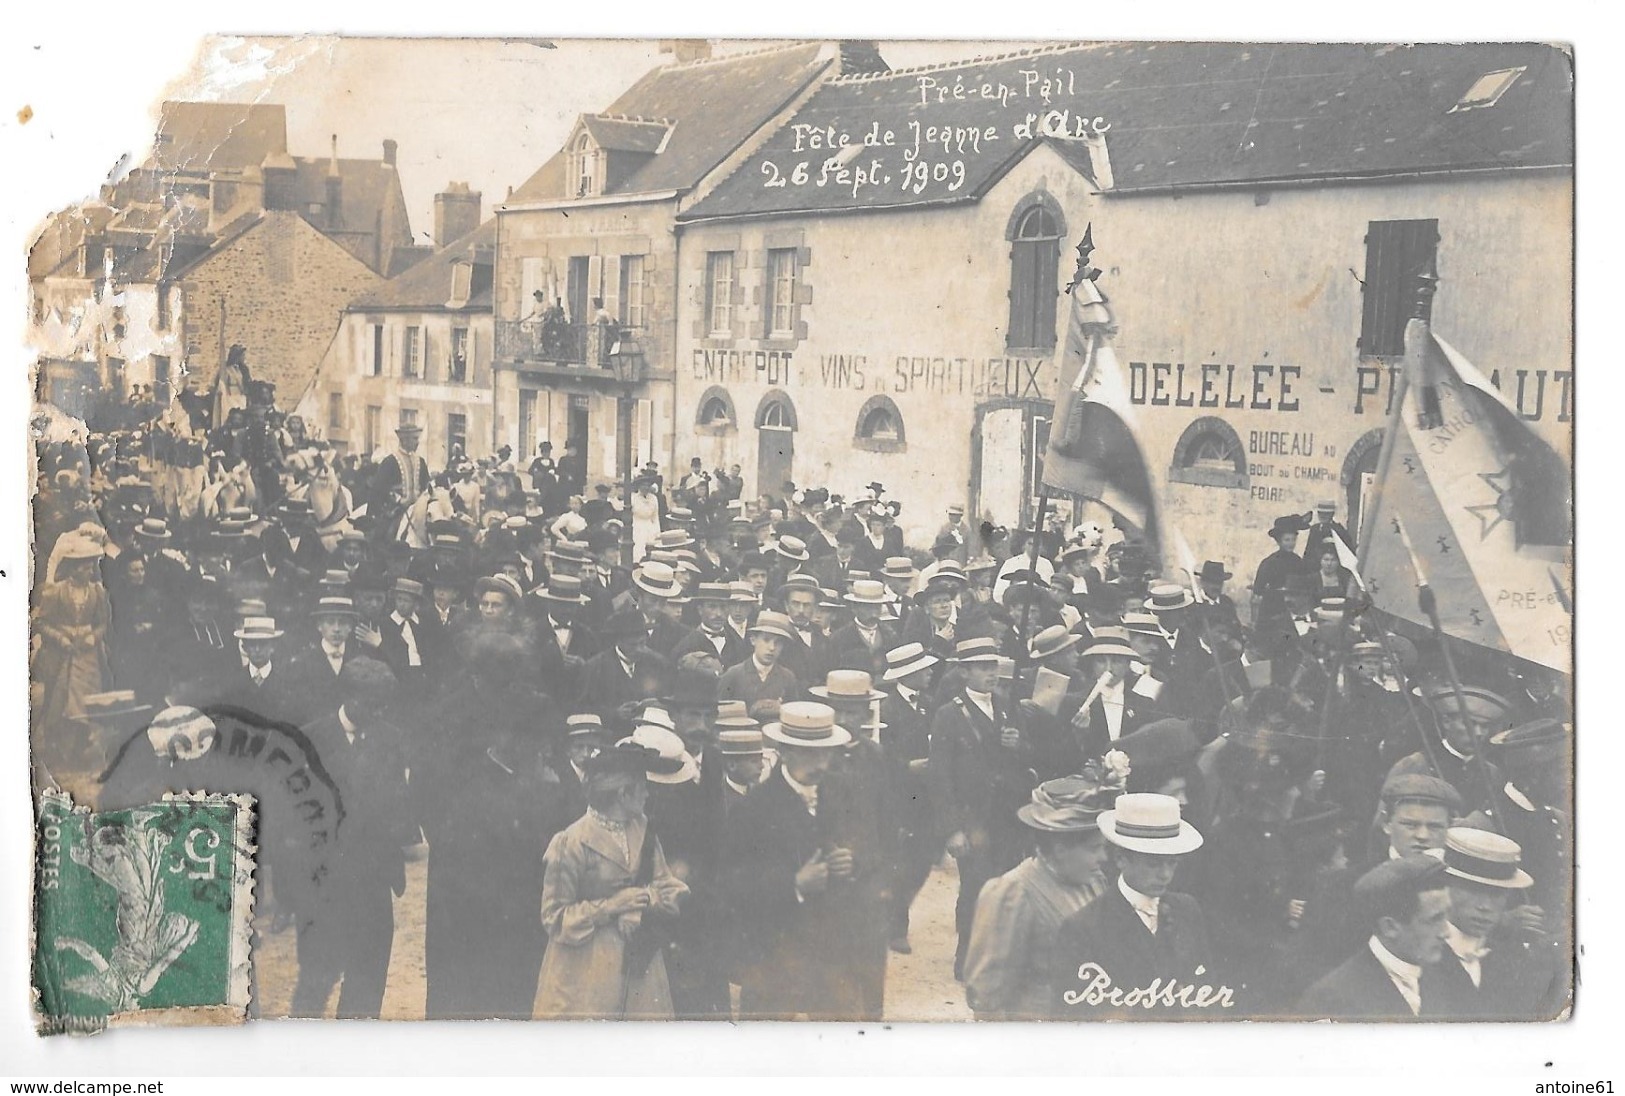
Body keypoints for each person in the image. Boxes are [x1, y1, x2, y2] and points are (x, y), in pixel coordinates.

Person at [725, 702, 877, 1020]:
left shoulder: (844, 793)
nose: (820, 764)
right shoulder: (753, 809)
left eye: (826, 753)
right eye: (810, 754)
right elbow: (733, 884)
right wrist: (793, 884)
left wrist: (853, 861)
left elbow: (871, 848)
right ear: (784, 751)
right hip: (774, 952)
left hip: (833, 950)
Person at [290, 660, 413, 1019]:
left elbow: (398, 803)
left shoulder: (390, 737)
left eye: (384, 704)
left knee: (368, 975)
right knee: (317, 977)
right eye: (373, 703)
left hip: (373, 878)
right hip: (325, 881)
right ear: (350, 696)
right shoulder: (309, 739)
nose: (379, 712)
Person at [535, 741, 690, 1019]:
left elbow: (668, 885)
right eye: (641, 786)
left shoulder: (643, 829)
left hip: (640, 965)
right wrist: (611, 906)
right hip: (585, 972)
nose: (646, 793)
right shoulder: (571, 843)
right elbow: (554, 917)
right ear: (622, 794)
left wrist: (644, 901)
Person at [964, 765, 1122, 1020]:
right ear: (1059, 848)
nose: (1103, 857)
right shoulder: (1013, 893)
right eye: (1093, 849)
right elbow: (987, 999)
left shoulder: (1092, 883)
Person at [1049, 792, 1215, 1019]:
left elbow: (1206, 990)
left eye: (1172, 863)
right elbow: (1074, 1018)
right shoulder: (1085, 929)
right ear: (1120, 859)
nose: (1165, 875)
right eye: (1153, 864)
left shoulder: (1186, 910)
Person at [929, 636, 1036, 981]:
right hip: (971, 817)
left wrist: (1018, 746)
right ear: (964, 672)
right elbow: (940, 776)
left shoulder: (1007, 705)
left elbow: (1026, 762)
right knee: (974, 887)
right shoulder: (948, 714)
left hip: (1006, 816)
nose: (991, 674)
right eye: (982, 667)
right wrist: (951, 828)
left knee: (1005, 887)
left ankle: (997, 957)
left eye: (993, 666)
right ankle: (967, 955)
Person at [1426, 827, 1565, 1019]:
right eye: (1473, 889)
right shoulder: (1418, 953)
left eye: (1497, 894)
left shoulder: (1515, 961)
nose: (1485, 906)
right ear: (1444, 885)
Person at [1296, 854, 1452, 1019]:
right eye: (1434, 920)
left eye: (1447, 915)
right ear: (1389, 927)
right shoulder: (1330, 999)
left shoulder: (1440, 978)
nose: (1446, 932)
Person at [716, 611, 802, 723]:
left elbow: (793, 717)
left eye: (778, 643)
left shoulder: (787, 677)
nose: (772, 647)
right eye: (766, 640)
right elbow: (718, 716)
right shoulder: (733, 675)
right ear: (753, 640)